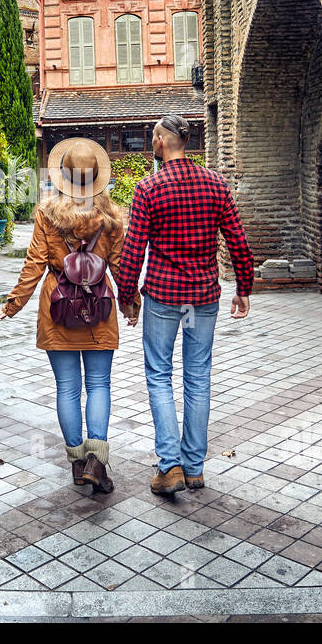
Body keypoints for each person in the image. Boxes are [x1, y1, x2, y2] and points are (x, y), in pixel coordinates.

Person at [118, 114, 254, 495]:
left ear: (162, 141)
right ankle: (194, 467)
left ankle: (169, 464)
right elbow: (238, 240)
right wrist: (243, 287)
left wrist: (127, 296)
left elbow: (133, 250)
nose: (152, 142)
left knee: (159, 374)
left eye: (153, 136)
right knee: (198, 376)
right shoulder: (215, 184)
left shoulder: (149, 188)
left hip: (163, 295)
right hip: (204, 295)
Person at [0, 138, 126, 493]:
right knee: (99, 385)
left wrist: (11, 306)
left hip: (58, 308)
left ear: (62, 176)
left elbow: (33, 265)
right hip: (99, 309)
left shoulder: (47, 215)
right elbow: (121, 267)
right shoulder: (111, 218)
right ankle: (97, 461)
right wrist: (131, 304)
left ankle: (79, 463)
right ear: (97, 177)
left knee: (67, 388)